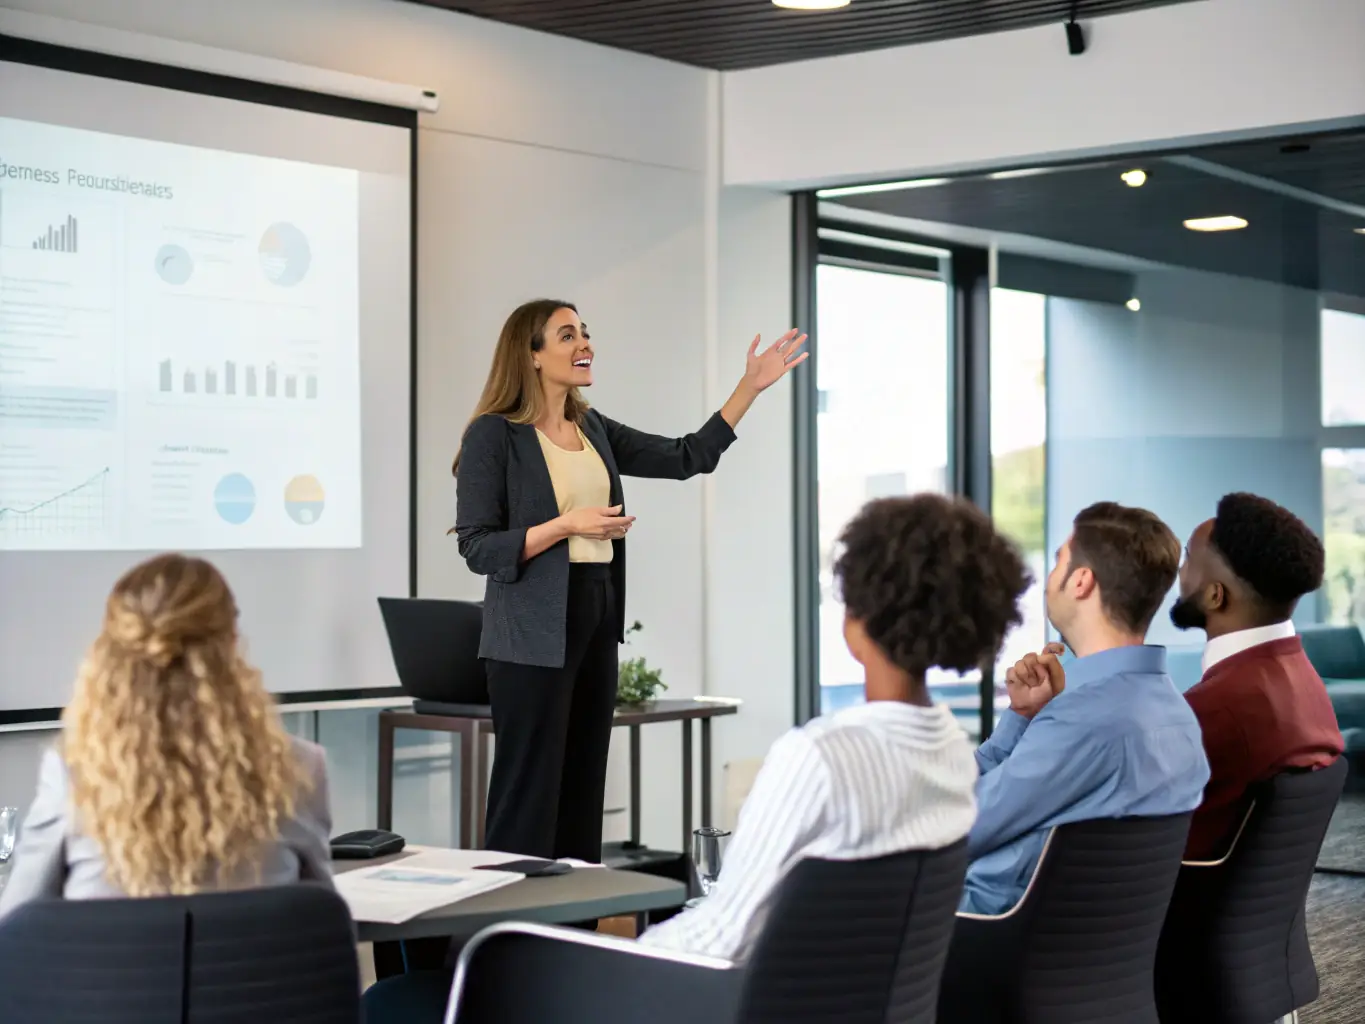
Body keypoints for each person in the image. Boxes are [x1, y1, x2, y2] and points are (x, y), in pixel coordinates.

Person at [453, 299, 805, 866]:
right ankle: (511, 915)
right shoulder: (494, 435)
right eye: (567, 335)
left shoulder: (592, 427)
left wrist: (749, 388)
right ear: (532, 354)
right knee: (529, 793)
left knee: (583, 786)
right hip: (530, 630)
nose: (584, 344)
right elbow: (477, 546)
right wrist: (566, 525)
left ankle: (577, 914)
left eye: (584, 333)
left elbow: (688, 457)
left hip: (594, 613)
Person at [639, 493, 1027, 962]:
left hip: (751, 994)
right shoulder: (951, 752)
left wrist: (609, 952)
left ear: (859, 621)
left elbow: (725, 937)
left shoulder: (819, 757)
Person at [0, 554, 331, 919]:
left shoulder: (74, 772)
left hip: (109, 960)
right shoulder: (299, 768)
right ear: (232, 641)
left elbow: (15, 922)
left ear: (109, 652)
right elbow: (323, 921)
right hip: (260, 959)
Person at [960, 501, 1209, 916]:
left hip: (982, 929)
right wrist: (1024, 718)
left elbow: (956, 828)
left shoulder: (1083, 722)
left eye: (1058, 562)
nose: (1048, 580)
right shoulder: (1179, 717)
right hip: (1084, 943)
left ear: (1081, 581)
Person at [1170, 492, 1344, 860]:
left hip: (1180, 894)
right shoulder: (1306, 681)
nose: (1179, 572)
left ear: (1215, 596)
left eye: (1187, 557)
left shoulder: (1212, 710)